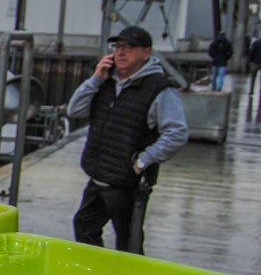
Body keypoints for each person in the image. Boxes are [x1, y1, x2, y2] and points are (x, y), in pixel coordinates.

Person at [67, 26, 188, 254]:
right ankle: (98, 274)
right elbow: (74, 111)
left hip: (129, 183)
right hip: (99, 175)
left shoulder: (159, 89)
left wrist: (144, 160)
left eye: (129, 48)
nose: (121, 53)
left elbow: (177, 132)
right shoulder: (106, 83)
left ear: (146, 53)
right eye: (118, 47)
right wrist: (95, 80)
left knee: (128, 243)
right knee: (84, 226)